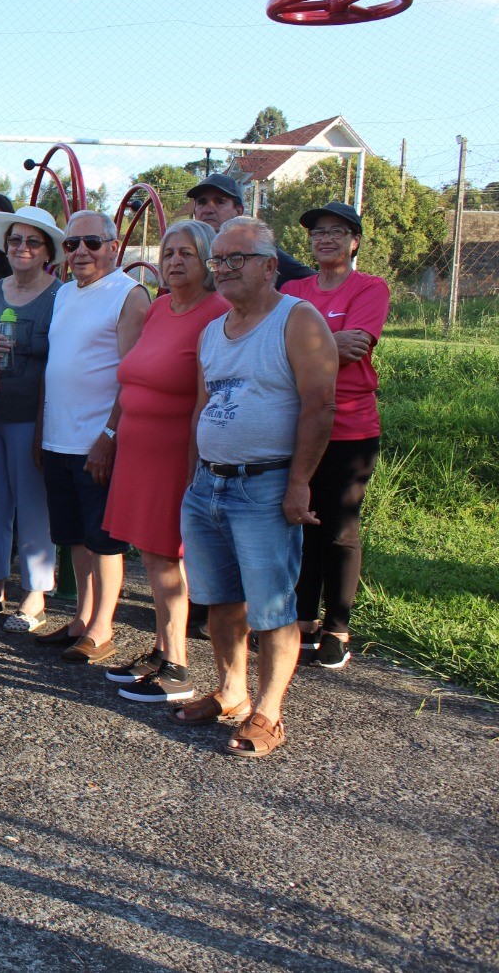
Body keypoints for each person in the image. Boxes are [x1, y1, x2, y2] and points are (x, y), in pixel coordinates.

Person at [172, 217, 337, 758]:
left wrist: (299, 485)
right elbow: (202, 409)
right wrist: (194, 478)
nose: (223, 268)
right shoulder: (212, 331)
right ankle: (231, 692)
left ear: (270, 266)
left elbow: (320, 406)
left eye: (236, 258)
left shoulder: (297, 319)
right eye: (218, 259)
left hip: (265, 486)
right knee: (220, 600)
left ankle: (268, 712)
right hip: (209, 485)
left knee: (272, 607)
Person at [101, 220, 229, 703]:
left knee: (167, 555)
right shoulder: (159, 308)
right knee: (152, 555)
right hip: (138, 450)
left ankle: (178, 667)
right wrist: (112, 434)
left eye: (186, 254)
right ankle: (160, 650)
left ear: (207, 262)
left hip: (177, 453)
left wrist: (197, 466)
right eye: (169, 252)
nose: (174, 261)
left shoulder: (216, 314)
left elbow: (207, 395)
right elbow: (133, 377)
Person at [33, 210, 149, 664]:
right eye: (71, 243)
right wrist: (43, 431)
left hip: (97, 440)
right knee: (75, 537)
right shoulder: (65, 292)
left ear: (113, 247)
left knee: (103, 540)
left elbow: (133, 376)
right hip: (59, 436)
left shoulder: (128, 295)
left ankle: (103, 628)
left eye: (92, 243)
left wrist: (109, 435)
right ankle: (82, 618)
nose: (81, 251)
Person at [285, 202, 389, 670]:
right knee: (301, 519)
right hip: (299, 421)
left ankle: (338, 628)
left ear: (355, 241)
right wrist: (330, 340)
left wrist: (308, 343)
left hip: (350, 425)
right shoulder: (294, 289)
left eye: (337, 231)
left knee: (340, 527)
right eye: (318, 232)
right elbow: (279, 344)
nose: (325, 238)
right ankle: (303, 619)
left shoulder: (369, 287)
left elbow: (357, 346)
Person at [0, 206, 62, 631]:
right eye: (14, 240)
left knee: (33, 506)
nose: (21, 248)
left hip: (33, 415)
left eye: (32, 241)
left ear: (47, 251)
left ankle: (35, 594)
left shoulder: (60, 296)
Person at [187, 173, 315, 288]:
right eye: (201, 202)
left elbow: (313, 281)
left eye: (219, 201)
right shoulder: (185, 251)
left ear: (238, 211)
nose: (208, 210)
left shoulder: (255, 247)